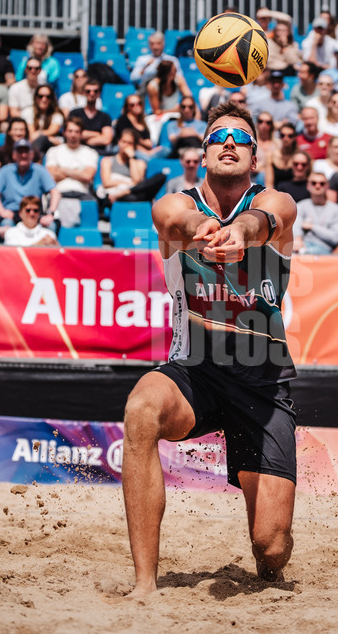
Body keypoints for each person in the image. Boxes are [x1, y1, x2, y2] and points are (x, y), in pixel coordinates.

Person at [122, 101, 298, 598]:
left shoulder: (277, 202)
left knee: (271, 548)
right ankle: (143, 585)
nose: (228, 143)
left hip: (263, 384)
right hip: (193, 372)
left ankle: (263, 510)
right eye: (218, 136)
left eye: (240, 138)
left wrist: (238, 234)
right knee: (140, 410)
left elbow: (269, 220)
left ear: (255, 158)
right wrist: (203, 235)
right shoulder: (174, 205)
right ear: (203, 153)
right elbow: (176, 221)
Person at [44, 118, 99, 226]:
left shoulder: (90, 152)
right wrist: (78, 172)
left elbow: (88, 176)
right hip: (59, 193)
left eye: (77, 131)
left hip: (82, 193)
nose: (73, 135)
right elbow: (52, 176)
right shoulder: (53, 151)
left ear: (81, 134)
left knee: (91, 211)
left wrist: (62, 169)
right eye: (70, 131)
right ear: (64, 132)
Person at [0, 138, 59, 226]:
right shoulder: (5, 171)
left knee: (51, 225)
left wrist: (51, 213)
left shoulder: (40, 170)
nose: (23, 155)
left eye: (26, 152)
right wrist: (2, 212)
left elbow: (55, 192)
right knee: (6, 224)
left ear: (32, 155)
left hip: (34, 212)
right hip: (12, 213)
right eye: (20, 152)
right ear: (14, 155)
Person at [101, 128, 165, 203]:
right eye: (124, 142)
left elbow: (137, 181)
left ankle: (126, 192)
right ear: (119, 142)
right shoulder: (107, 160)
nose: (126, 146)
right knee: (132, 198)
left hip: (133, 193)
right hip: (117, 194)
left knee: (161, 176)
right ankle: (124, 193)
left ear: (134, 146)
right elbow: (107, 183)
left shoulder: (140, 163)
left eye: (130, 143)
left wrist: (131, 158)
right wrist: (128, 183)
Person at [293, 172, 338, 254]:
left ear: (327, 186)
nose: (317, 186)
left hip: (323, 249)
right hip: (301, 246)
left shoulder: (337, 210)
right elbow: (296, 229)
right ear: (308, 186)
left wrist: (312, 226)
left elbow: (335, 238)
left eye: (322, 183)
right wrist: (298, 240)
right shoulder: (300, 206)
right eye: (313, 183)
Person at [67, 80, 114, 154]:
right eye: (88, 91)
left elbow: (106, 139)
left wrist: (84, 141)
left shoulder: (105, 117)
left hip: (98, 153)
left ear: (99, 93)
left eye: (95, 91)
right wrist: (97, 134)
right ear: (83, 93)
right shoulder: (75, 113)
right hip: (77, 152)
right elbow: (73, 134)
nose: (92, 94)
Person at [30, 86, 66, 153]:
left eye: (48, 96)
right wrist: (49, 138)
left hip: (50, 146)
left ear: (51, 99)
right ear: (35, 97)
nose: (44, 99)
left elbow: (52, 130)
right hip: (32, 144)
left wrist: (39, 133)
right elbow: (31, 135)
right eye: (40, 96)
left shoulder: (57, 114)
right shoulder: (28, 112)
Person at [9, 58, 45, 124]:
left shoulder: (44, 90)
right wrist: (29, 118)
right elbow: (13, 113)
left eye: (36, 68)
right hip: (21, 122)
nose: (33, 71)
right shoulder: (15, 88)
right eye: (30, 68)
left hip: (40, 122)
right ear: (26, 70)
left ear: (40, 70)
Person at [266, 123, 300, 189]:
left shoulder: (298, 156)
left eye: (290, 136)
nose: (286, 138)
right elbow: (269, 184)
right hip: (276, 193)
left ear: (294, 137)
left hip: (295, 192)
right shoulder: (271, 155)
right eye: (282, 135)